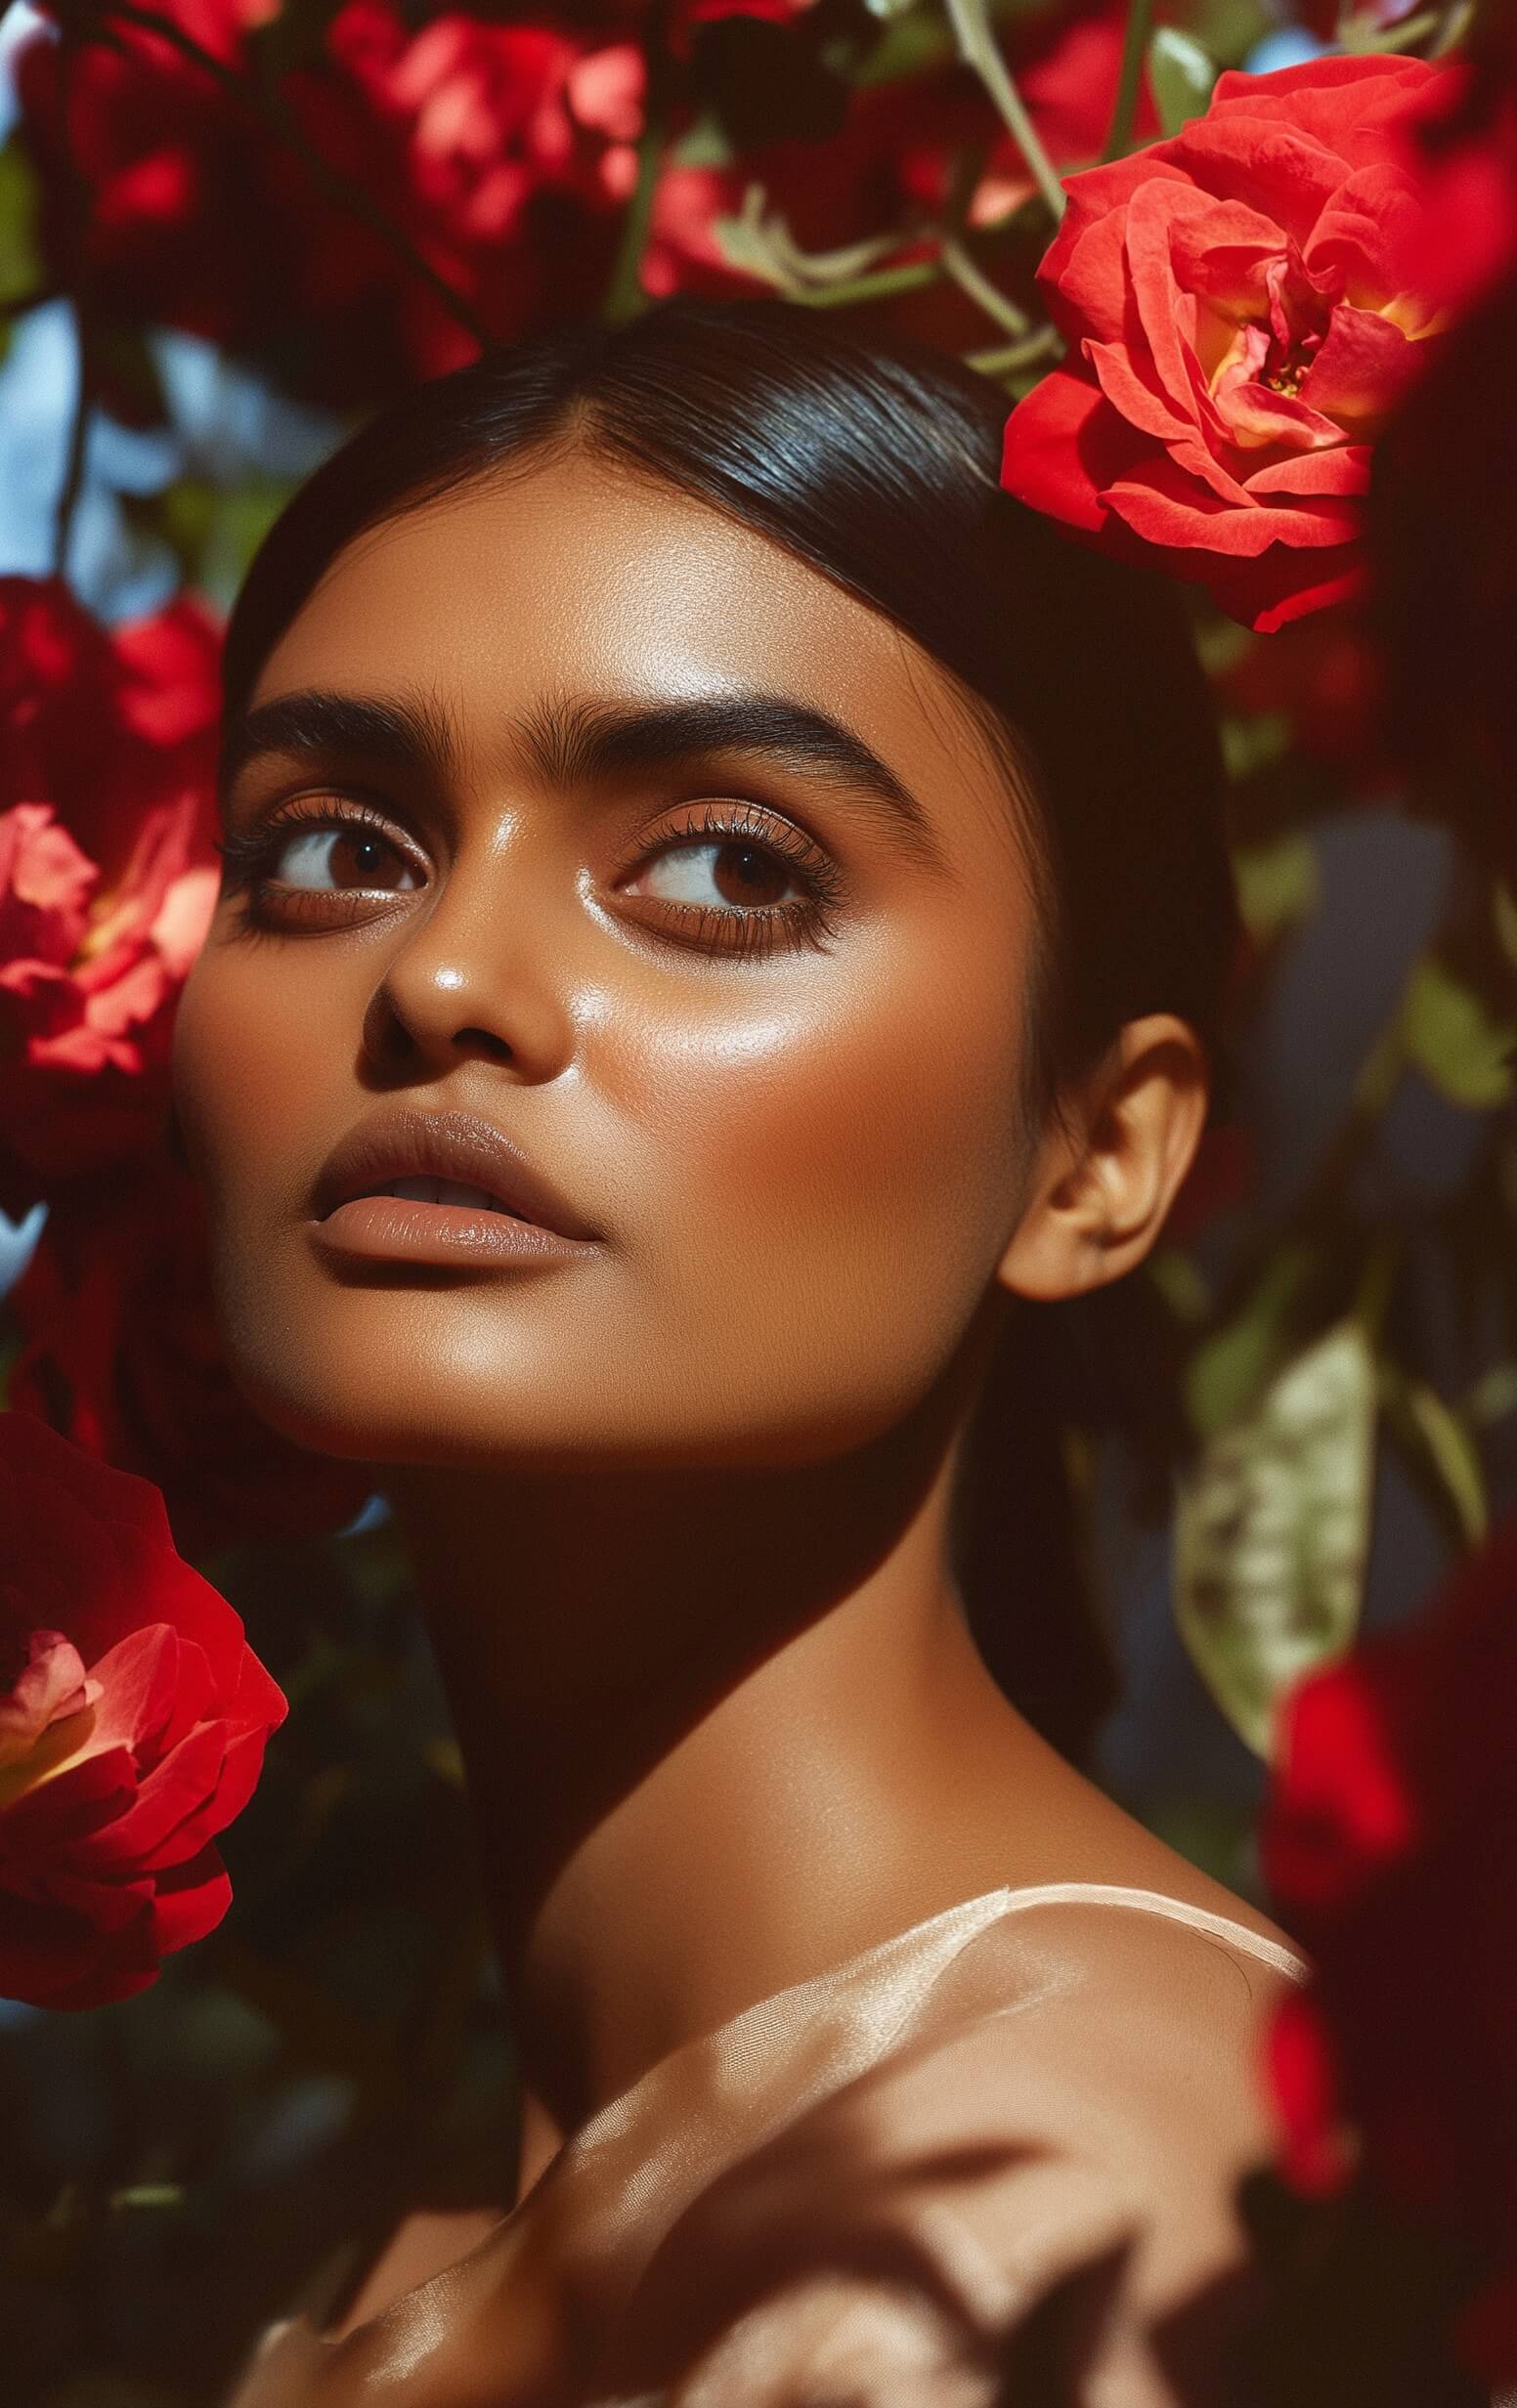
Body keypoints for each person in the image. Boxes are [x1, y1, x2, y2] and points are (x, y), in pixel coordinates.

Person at [172, 298, 1309, 2406]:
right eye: (336, 845)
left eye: (718, 866)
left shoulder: (1012, 2226)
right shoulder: (444, 2225)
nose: (441, 975)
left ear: (1097, 1154)